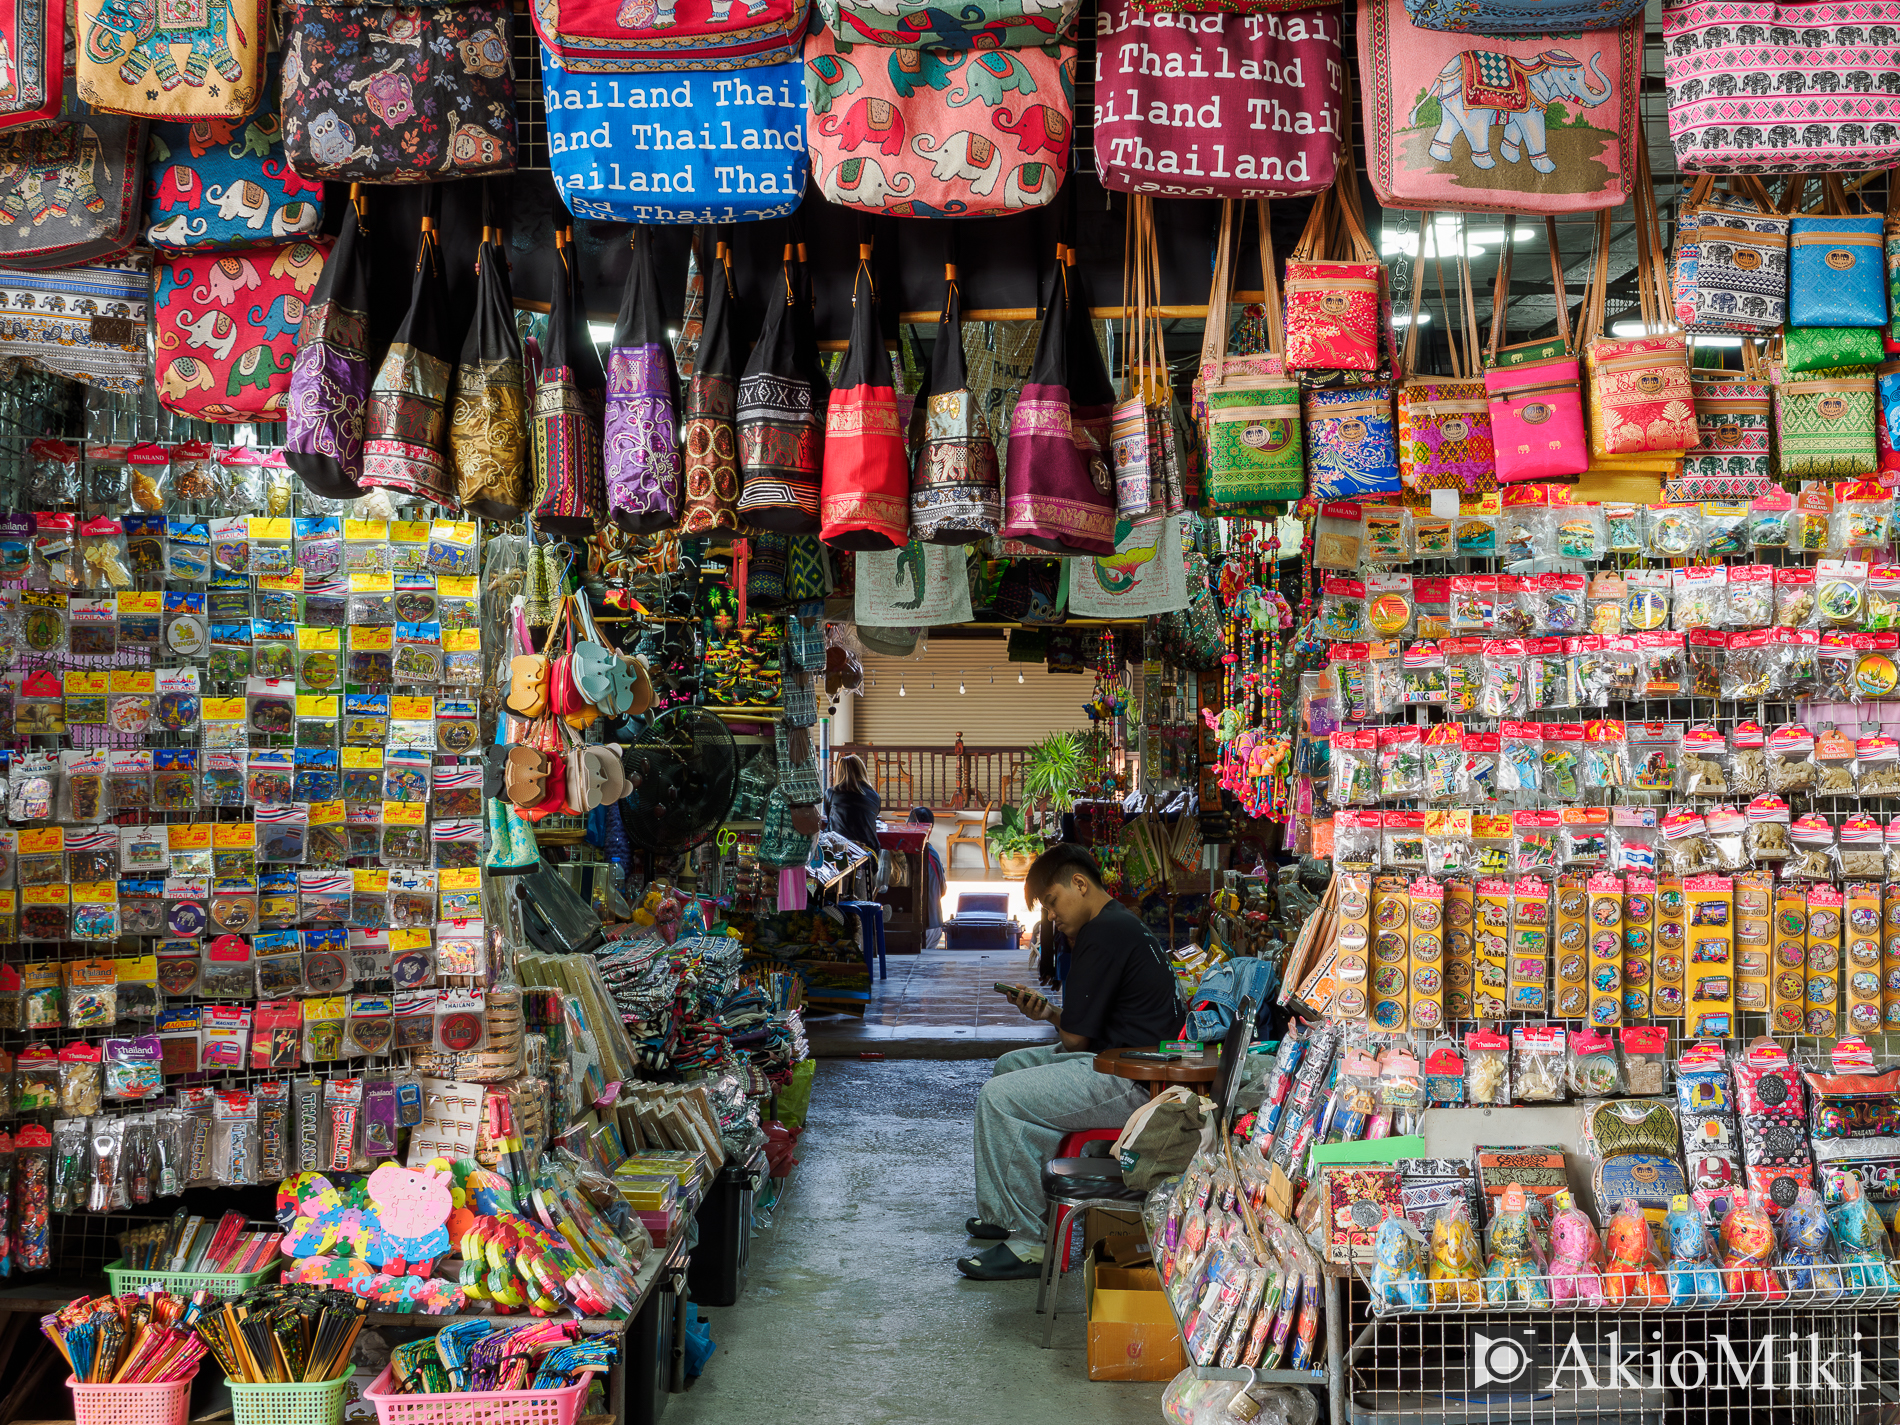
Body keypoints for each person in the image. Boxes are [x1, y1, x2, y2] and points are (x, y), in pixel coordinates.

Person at [958, 842, 1181, 1281]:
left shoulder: (1102, 933)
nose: (1051, 915)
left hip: (1134, 1078)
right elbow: (1082, 1029)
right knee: (1010, 1068)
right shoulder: (1118, 923)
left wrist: (1063, 1022)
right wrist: (1048, 1013)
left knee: (999, 1097)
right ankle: (1008, 1212)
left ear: (1080, 884)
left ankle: (1028, 1245)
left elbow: (1077, 1039)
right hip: (1120, 1057)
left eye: (1053, 901)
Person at [826, 753, 881, 851]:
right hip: (869, 851)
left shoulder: (831, 793)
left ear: (839, 772)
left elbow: (829, 818)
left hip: (841, 851)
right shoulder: (875, 796)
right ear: (862, 771)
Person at [909, 806, 946, 947]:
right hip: (935, 926)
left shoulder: (904, 852)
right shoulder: (933, 854)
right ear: (931, 829)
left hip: (917, 927)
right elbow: (942, 890)